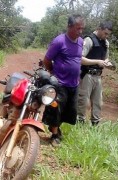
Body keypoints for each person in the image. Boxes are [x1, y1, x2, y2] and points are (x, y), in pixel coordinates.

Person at [42, 14, 85, 147]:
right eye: (78, 28)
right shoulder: (59, 41)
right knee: (55, 109)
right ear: (69, 26)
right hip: (60, 83)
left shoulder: (81, 42)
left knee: (69, 110)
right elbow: (47, 60)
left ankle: (56, 127)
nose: (80, 31)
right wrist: (53, 73)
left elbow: (78, 59)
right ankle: (54, 135)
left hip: (74, 83)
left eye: (82, 29)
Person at [77, 21, 115, 126]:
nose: (106, 36)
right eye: (105, 33)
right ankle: (79, 123)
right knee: (83, 101)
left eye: (108, 34)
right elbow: (80, 58)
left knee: (98, 102)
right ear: (99, 28)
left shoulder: (106, 43)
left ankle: (95, 125)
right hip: (86, 75)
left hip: (98, 76)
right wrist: (97, 62)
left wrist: (107, 63)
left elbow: (106, 57)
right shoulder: (89, 40)